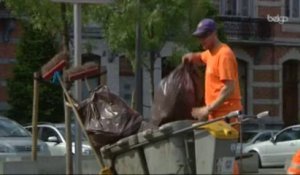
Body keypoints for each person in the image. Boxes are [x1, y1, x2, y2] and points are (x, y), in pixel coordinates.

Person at [182, 18, 243, 126]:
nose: (201, 40)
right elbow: (201, 57)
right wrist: (191, 57)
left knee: (221, 143)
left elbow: (229, 87)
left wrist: (207, 109)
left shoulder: (224, 54)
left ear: (214, 34)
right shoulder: (211, 53)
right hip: (216, 116)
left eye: (204, 36)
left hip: (227, 116)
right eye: (199, 37)